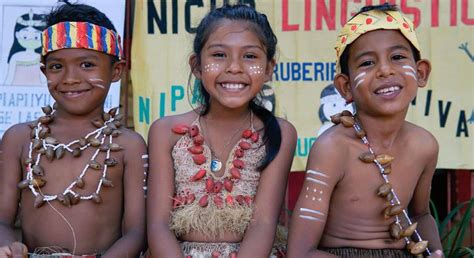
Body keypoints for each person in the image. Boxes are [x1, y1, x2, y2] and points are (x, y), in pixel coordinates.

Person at [287, 4, 443, 258]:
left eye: (397, 57)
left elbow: (419, 214)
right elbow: (300, 253)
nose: (385, 70)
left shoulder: (424, 145)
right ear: (346, 87)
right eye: (368, 62)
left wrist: (435, 252)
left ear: (421, 72)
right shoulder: (333, 148)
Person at [147, 4, 297, 257]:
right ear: (197, 66)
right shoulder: (166, 132)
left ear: (269, 69)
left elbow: (263, 224)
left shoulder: (280, 134)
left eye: (250, 56)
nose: (234, 67)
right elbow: (158, 225)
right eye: (219, 55)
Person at [0, 2, 146, 257]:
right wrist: (8, 247)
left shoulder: (129, 145)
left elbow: (136, 232)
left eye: (87, 65)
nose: (70, 78)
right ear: (44, 72)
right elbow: (1, 220)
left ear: (116, 71)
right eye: (57, 66)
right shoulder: (19, 139)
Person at [3, 10, 47, 86]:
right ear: (17, 35)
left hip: (37, 93)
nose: (30, 40)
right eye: (25, 36)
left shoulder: (40, 58)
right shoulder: (15, 57)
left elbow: (43, 80)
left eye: (36, 37)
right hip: (14, 93)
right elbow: (9, 79)